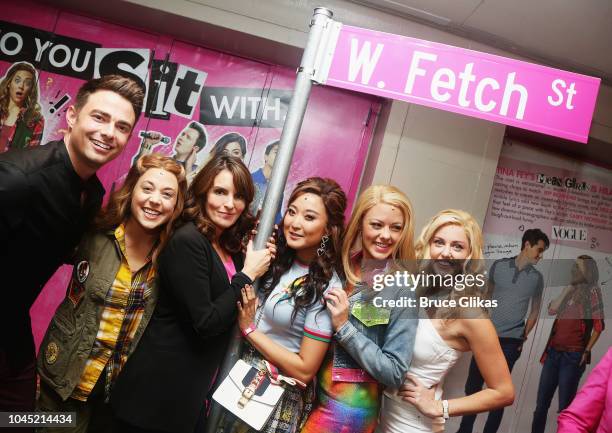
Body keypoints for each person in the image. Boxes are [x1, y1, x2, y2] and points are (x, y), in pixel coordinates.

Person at [0, 74, 144, 414]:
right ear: (72, 116)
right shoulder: (16, 178)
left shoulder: (91, 195)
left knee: (21, 423)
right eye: (100, 117)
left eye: (122, 127)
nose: (109, 132)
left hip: (11, 333)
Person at [111, 155, 274, 433]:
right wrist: (247, 273)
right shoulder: (187, 240)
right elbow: (206, 322)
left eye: (239, 196)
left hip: (186, 396)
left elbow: (231, 297)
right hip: (153, 397)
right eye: (220, 192)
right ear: (203, 192)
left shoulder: (225, 247)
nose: (229, 204)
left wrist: (257, 261)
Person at [36, 154, 187, 433]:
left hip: (115, 399)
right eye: (147, 188)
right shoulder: (95, 234)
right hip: (62, 385)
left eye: (167, 194)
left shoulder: (172, 257)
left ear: (176, 206)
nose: (155, 200)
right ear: (131, 191)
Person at [218, 177, 347, 433]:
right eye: (292, 212)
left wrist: (249, 330)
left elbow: (304, 369)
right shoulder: (278, 260)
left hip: (275, 399)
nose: (295, 224)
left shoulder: (326, 287)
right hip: (241, 382)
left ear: (327, 230)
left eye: (309, 218)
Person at [379, 209, 515, 433]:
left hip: (413, 425)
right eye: (439, 242)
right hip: (378, 414)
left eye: (457, 247)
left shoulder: (471, 314)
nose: (445, 253)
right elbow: (372, 324)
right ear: (428, 246)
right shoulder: (411, 291)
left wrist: (439, 407)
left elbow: (503, 392)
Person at [301, 185, 419, 433]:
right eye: (377, 225)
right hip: (307, 394)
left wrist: (345, 328)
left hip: (347, 413)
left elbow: (395, 372)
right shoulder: (338, 268)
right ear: (361, 224)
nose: (385, 235)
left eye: (395, 228)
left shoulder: (402, 290)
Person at [456, 228, 549, 433]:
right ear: (527, 245)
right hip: (486, 338)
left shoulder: (537, 278)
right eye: (539, 250)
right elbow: (485, 298)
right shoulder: (499, 266)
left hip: (510, 343)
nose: (540, 256)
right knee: (472, 387)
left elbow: (535, 311)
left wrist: (523, 336)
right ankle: (464, 430)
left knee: (498, 394)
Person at [530, 255, 605, 433]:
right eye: (574, 267)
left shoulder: (593, 291)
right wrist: (566, 290)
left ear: (587, 271)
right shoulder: (570, 290)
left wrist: (586, 351)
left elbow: (599, 325)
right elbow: (552, 309)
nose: (574, 270)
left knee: (565, 410)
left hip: (572, 357)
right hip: (553, 354)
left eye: (578, 268)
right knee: (541, 406)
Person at [557, 347, 612, 433]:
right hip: (555, 352)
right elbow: (575, 420)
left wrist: (586, 351)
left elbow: (597, 332)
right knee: (542, 406)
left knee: (563, 403)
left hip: (573, 355)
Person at [132, 121, 207, 181]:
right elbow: (138, 174)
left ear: (195, 148)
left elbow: (189, 195)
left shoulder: (197, 172)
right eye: (183, 134)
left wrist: (188, 167)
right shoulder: (164, 162)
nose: (181, 138)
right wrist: (148, 143)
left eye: (188, 137)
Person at [0, 61, 45, 152]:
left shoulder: (35, 120)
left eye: (27, 83)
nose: (21, 86)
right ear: (9, 83)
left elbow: (29, 157)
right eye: (17, 80)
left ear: (31, 89)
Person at [251, 140, 283, 223]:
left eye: (282, 154)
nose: (279, 156)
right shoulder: (250, 179)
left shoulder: (278, 186)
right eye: (276, 152)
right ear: (266, 156)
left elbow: (277, 214)